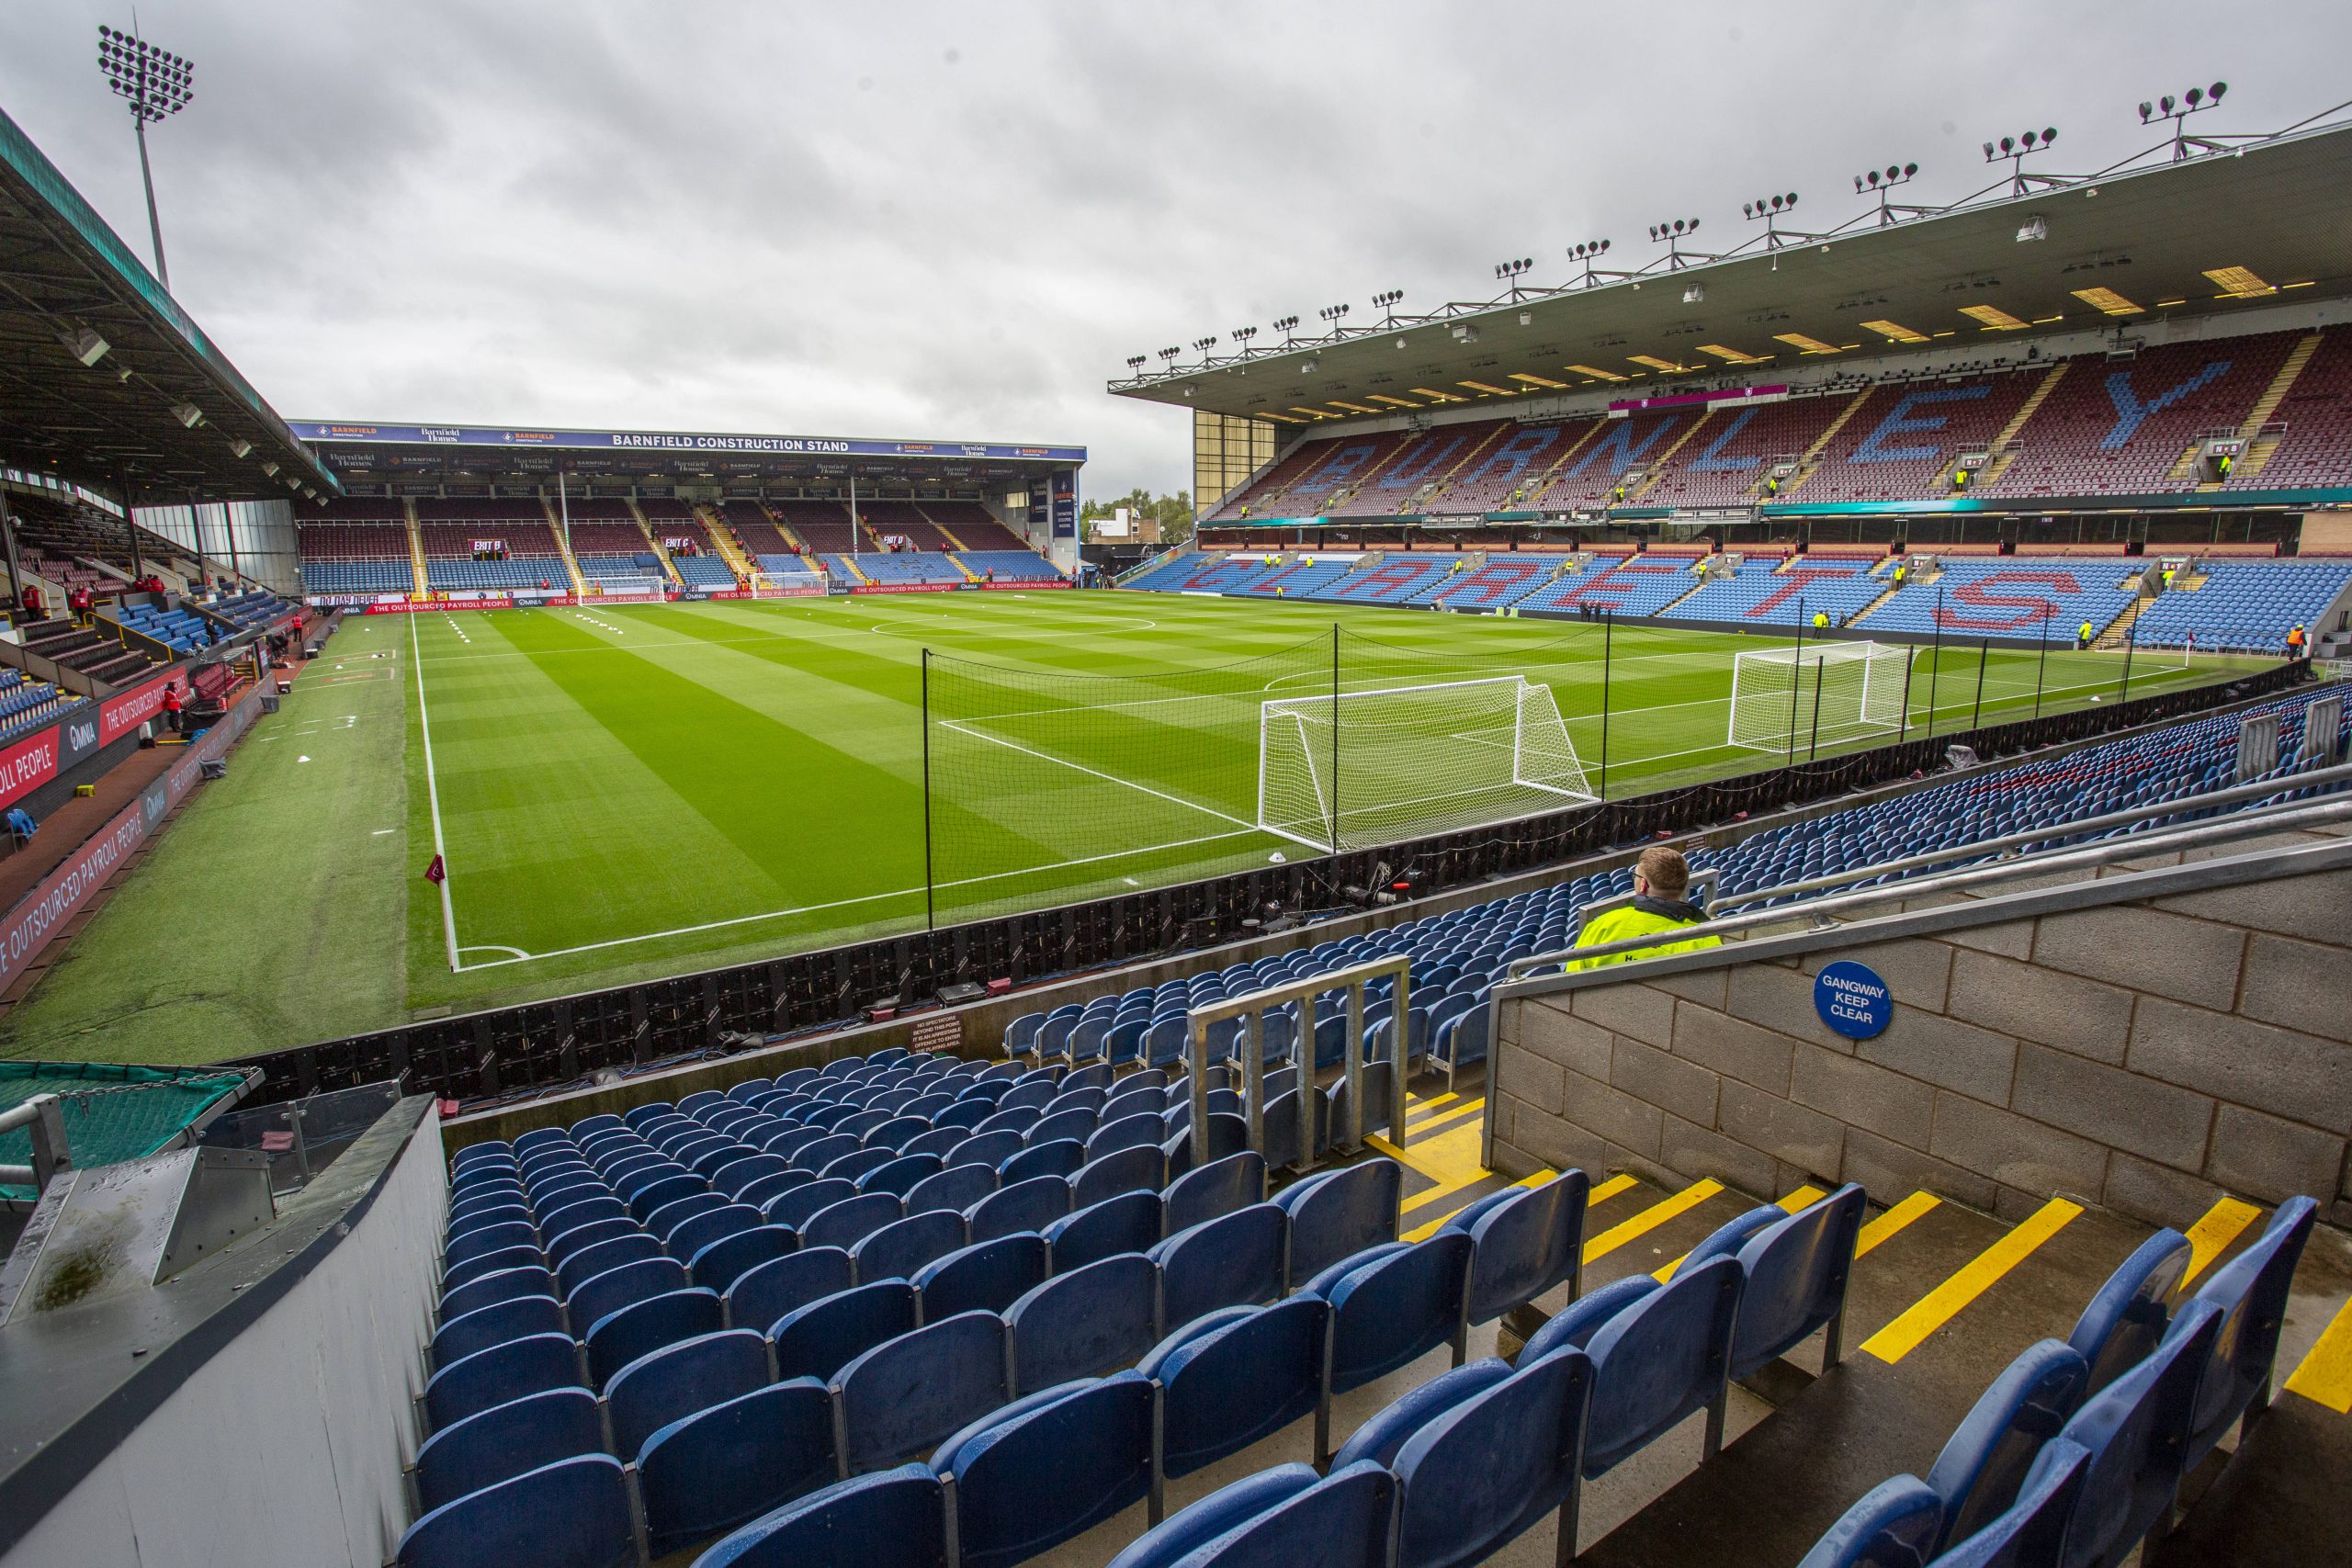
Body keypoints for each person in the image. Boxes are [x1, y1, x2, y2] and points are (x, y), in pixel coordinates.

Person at [1566, 846, 1721, 971]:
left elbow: (1570, 978)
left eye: (1636, 875)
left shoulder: (1604, 925)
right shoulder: (1705, 940)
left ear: (1643, 884)